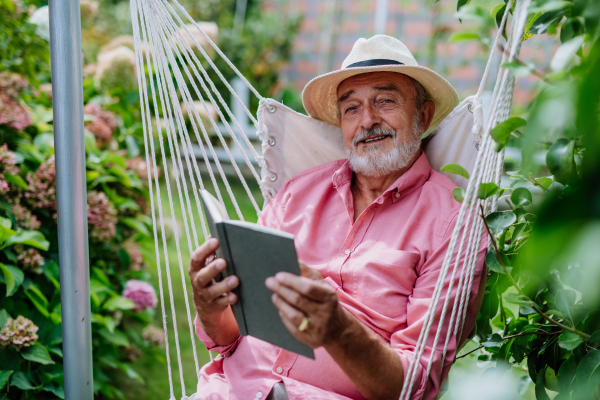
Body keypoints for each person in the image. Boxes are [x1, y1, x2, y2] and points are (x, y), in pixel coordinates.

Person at [189, 35, 486, 400]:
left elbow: (415, 387)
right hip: (229, 390)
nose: (368, 121)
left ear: (422, 116)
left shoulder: (454, 226)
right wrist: (210, 308)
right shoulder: (297, 194)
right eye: (351, 108)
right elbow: (229, 336)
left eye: (385, 101)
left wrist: (338, 330)